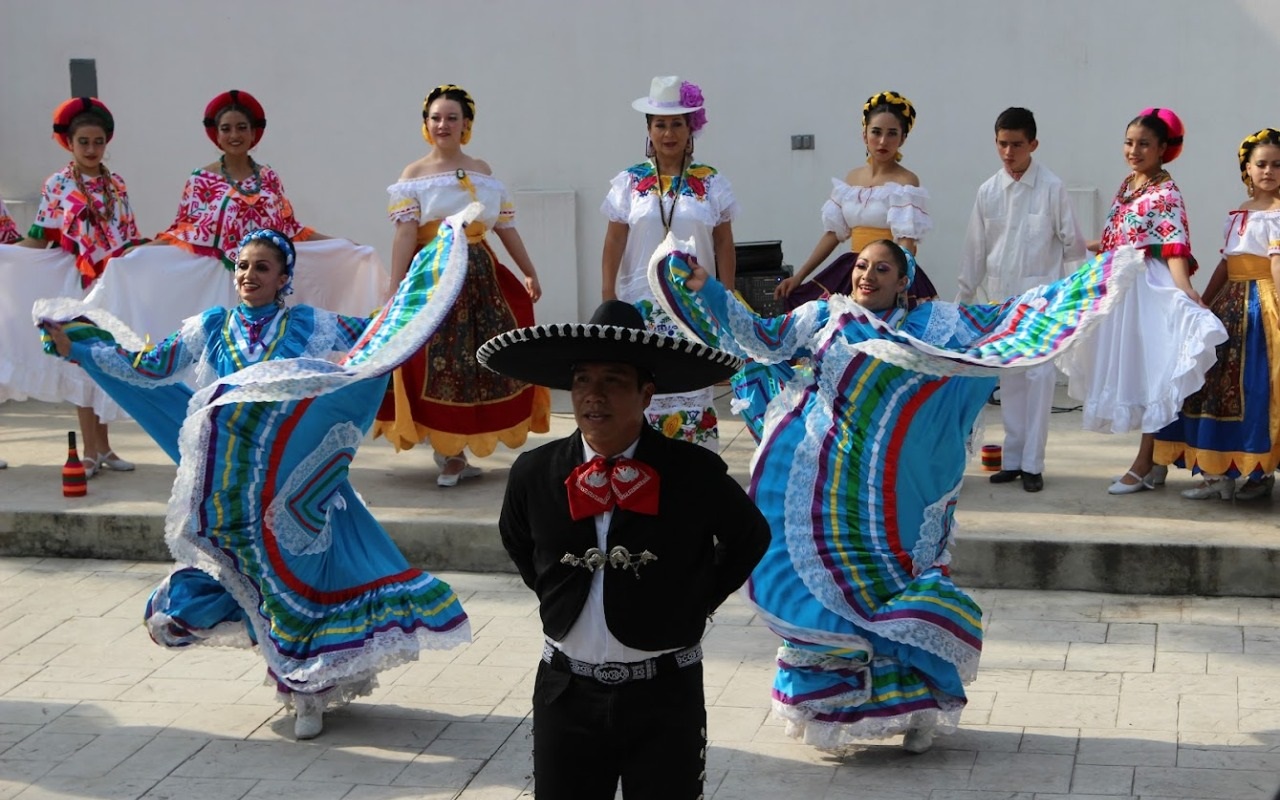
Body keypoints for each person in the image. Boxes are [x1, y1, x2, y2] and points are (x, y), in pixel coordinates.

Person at [650, 233, 1145, 753]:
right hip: (822, 481)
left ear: (903, 281)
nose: (867, 275)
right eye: (862, 266)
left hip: (894, 493)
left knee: (888, 588)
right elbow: (759, 336)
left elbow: (1004, 321)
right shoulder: (824, 317)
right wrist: (707, 290)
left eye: (882, 269)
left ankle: (918, 708)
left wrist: (1089, 281)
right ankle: (830, 709)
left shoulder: (935, 326)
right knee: (810, 586)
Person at [38, 220, 477, 739]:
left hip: (294, 488)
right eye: (243, 265)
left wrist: (427, 304)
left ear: (283, 278)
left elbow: (376, 337)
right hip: (233, 488)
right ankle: (292, 677)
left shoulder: (311, 324)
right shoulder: (209, 326)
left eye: (262, 267)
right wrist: (79, 348)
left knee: (295, 583)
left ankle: (304, 692)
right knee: (246, 582)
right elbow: (148, 368)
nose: (249, 274)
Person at [480, 299, 769, 799]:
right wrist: (561, 590)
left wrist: (697, 598)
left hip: (664, 691)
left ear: (646, 392)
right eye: (582, 381)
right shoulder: (535, 472)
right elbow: (520, 544)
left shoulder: (693, 472)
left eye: (613, 380)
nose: (594, 396)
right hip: (565, 691)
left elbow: (750, 537)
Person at [84, 89, 387, 353]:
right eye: (226, 128)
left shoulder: (268, 177)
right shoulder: (201, 179)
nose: (234, 135)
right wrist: (142, 252)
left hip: (265, 281)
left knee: (267, 347)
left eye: (241, 127)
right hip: (220, 280)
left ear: (254, 133)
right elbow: (182, 230)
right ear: (216, 134)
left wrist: (342, 245)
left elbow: (291, 229)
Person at [376, 84, 548, 487]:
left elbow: (505, 227)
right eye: (435, 117)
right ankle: (449, 453)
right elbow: (405, 235)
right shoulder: (413, 176)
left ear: (466, 124)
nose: (443, 124)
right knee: (440, 359)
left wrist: (529, 270)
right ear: (426, 124)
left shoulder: (483, 171)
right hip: (436, 275)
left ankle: (459, 450)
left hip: (481, 276)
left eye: (452, 118)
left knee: (480, 361)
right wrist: (395, 286)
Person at [1056, 107, 1227, 494]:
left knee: (1154, 374)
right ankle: (1153, 465)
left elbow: (1174, 245)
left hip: (1148, 287)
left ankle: (1144, 463)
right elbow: (1123, 237)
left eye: (1144, 144)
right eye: (1129, 142)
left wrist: (1184, 290)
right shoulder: (1129, 184)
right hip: (1122, 285)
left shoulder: (1166, 192)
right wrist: (1087, 246)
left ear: (1162, 149)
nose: (1134, 150)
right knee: (1139, 371)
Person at [1, 97, 142, 477]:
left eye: (98, 142)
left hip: (110, 280)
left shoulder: (117, 184)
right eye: (84, 142)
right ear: (70, 142)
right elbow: (38, 237)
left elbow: (128, 236)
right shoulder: (58, 184)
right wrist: (7, 256)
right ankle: (90, 450)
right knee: (82, 360)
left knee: (106, 359)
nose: (92, 149)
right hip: (74, 280)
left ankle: (107, 448)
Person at [601, 75, 737, 450]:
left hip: (694, 301)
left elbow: (724, 243)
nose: (668, 133)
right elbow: (614, 240)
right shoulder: (630, 181)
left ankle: (693, 462)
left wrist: (726, 296)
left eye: (677, 124)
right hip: (641, 301)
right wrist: (608, 293)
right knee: (643, 386)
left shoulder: (711, 182)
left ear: (690, 128)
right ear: (649, 129)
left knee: (691, 383)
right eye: (660, 124)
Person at [956, 107, 1087, 492]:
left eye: (1016, 144)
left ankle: (1034, 463)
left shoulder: (1052, 188)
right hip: (1000, 301)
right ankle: (1012, 460)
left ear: (1033, 144)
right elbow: (974, 253)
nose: (1008, 152)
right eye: (1002, 144)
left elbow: (1074, 247)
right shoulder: (988, 191)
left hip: (1043, 303)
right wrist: (961, 304)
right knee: (1010, 380)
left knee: (1040, 378)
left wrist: (1074, 300)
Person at [1154, 128, 1280, 500]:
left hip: (1264, 304)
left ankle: (1258, 472)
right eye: (1261, 164)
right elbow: (1226, 264)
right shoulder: (1239, 212)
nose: (1268, 171)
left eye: (1276, 165)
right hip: (1231, 302)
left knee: (1257, 386)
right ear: (1247, 168)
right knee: (1210, 382)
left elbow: (1275, 265)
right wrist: (1203, 302)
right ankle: (1218, 470)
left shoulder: (1278, 214)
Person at [773, 90, 938, 310]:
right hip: (851, 270)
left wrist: (898, 283)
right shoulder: (851, 179)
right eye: (876, 132)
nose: (882, 141)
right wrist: (799, 276)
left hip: (886, 274)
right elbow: (833, 234)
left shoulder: (905, 182)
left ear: (902, 138)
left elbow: (907, 242)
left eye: (891, 133)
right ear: (864, 135)